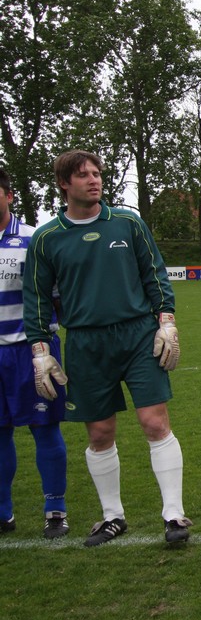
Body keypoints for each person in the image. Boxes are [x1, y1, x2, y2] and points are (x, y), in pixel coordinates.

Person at [22, 150, 190, 546]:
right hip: (85, 342)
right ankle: (113, 517)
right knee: (99, 432)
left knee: (155, 422)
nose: (94, 180)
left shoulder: (128, 223)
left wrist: (166, 320)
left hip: (138, 335)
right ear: (64, 184)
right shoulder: (47, 238)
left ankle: (174, 515)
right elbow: (38, 298)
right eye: (83, 175)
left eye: (97, 174)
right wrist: (40, 351)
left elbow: (154, 274)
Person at [0, 169, 69, 539]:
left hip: (32, 351)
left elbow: (57, 298)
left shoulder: (34, 239)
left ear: (9, 195)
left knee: (44, 428)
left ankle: (55, 509)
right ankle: (3, 513)